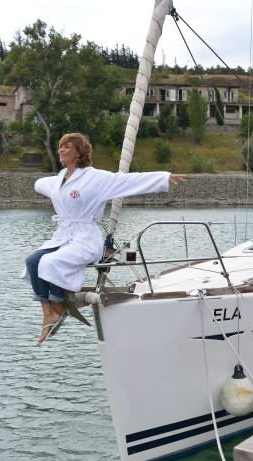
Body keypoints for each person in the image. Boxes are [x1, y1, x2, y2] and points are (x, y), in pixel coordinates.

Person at [26, 132, 185, 343]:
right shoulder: (58, 179)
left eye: (67, 146)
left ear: (79, 152)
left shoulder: (95, 179)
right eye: (60, 146)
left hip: (85, 238)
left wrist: (163, 178)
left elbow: (126, 181)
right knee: (32, 261)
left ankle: (57, 304)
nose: (61, 150)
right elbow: (41, 184)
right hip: (64, 235)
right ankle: (48, 311)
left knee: (49, 262)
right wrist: (37, 184)